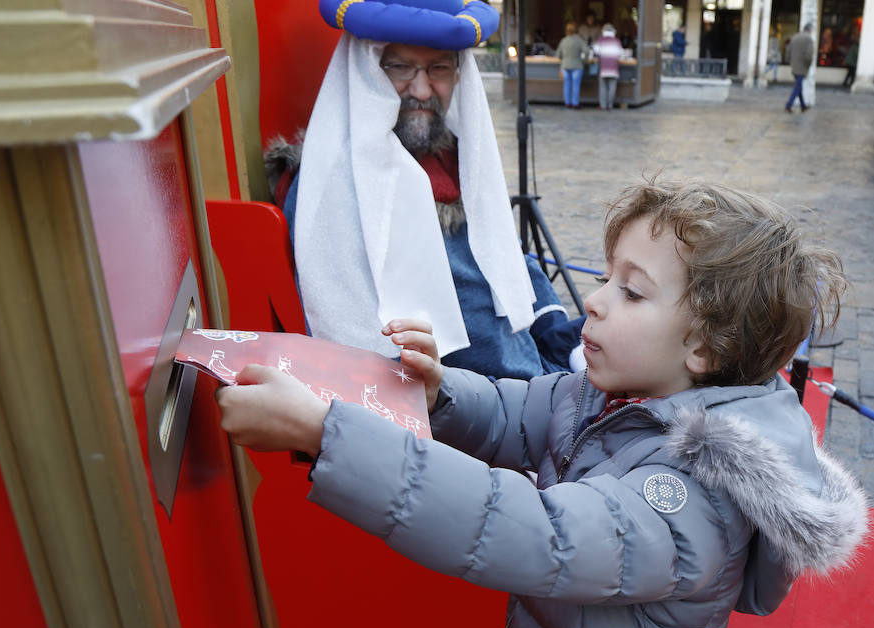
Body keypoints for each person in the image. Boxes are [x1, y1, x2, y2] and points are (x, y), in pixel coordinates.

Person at [216, 177, 867, 628]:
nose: (593, 298)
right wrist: (437, 393)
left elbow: (532, 532)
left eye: (632, 291)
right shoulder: (617, 394)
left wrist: (326, 433)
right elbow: (516, 410)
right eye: (607, 275)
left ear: (705, 349)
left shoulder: (689, 492)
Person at [264, 0, 584, 381]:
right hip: (471, 410)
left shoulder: (458, 157)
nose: (421, 89)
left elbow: (506, 262)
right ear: (366, 71)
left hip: (533, 380)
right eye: (399, 67)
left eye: (439, 68)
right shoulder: (334, 191)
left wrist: (563, 340)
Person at [555, 22, 590, 108]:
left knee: (566, 85)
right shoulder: (579, 40)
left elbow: (558, 55)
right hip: (577, 65)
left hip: (565, 66)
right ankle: (575, 104)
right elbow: (587, 51)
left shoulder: (563, 40)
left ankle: (567, 103)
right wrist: (584, 61)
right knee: (576, 86)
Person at [593, 23, 623, 110]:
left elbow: (595, 51)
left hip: (603, 68)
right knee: (612, 87)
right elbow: (621, 53)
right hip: (614, 68)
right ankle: (610, 105)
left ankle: (603, 105)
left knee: (603, 88)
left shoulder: (600, 40)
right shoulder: (617, 41)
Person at [785, 22, 815, 112]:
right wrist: (808, 65)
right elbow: (809, 55)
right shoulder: (809, 39)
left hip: (794, 65)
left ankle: (803, 105)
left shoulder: (795, 37)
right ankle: (789, 105)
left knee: (799, 86)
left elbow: (788, 51)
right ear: (809, 30)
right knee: (797, 87)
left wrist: (789, 61)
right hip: (802, 66)